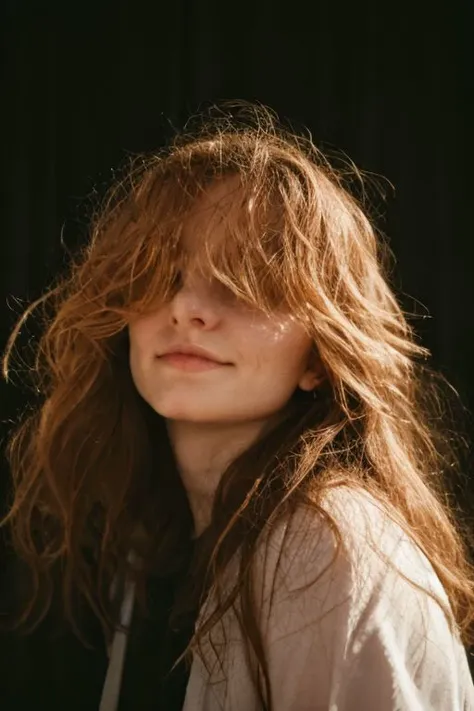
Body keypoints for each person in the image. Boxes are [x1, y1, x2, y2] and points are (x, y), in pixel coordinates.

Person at [1, 102, 474, 710]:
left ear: (318, 359)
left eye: (245, 281)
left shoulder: (325, 547)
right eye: (161, 274)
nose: (187, 308)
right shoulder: (156, 539)